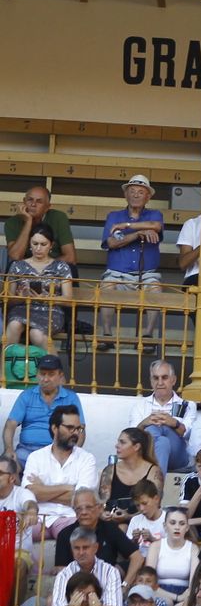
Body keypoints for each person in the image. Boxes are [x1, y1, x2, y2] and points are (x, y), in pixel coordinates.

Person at [98, 174, 164, 343]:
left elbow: (156, 226)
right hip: (117, 274)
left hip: (146, 275)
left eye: (140, 192)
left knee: (155, 288)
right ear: (125, 195)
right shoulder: (114, 216)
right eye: (132, 191)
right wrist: (137, 233)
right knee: (107, 285)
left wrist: (127, 226)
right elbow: (111, 242)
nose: (135, 195)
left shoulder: (154, 214)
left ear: (148, 197)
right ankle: (106, 335)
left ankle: (148, 336)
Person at [23, 406, 96, 540]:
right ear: (54, 428)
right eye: (70, 428)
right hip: (38, 517)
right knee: (12, 534)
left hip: (70, 517)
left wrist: (43, 490)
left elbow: (81, 500)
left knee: (76, 536)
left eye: (78, 429)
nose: (75, 433)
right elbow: (29, 494)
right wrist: (68, 487)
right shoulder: (36, 457)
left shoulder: (87, 459)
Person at [5, 224, 74, 355]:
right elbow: (7, 299)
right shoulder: (17, 266)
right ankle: (4, 366)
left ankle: (54, 366)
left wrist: (48, 299)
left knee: (36, 333)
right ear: (29, 243)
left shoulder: (61, 266)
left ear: (51, 245)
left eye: (43, 244)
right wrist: (21, 297)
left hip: (51, 311)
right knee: (14, 325)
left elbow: (68, 299)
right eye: (35, 243)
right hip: (22, 308)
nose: (38, 248)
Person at [6, 354, 85, 467]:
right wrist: (9, 450)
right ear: (37, 374)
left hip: (58, 451)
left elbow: (80, 429)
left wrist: (73, 453)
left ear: (60, 376)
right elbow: (10, 425)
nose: (45, 379)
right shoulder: (26, 396)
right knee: (7, 467)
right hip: (26, 451)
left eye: (51, 374)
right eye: (42, 374)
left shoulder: (71, 398)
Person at [132, 359, 201, 474]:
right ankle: (157, 484)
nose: (160, 382)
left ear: (173, 380)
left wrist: (173, 423)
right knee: (162, 442)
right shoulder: (140, 405)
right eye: (156, 378)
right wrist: (144, 423)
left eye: (164, 377)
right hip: (148, 454)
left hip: (177, 456)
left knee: (155, 429)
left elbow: (188, 435)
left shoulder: (187, 405)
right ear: (151, 381)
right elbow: (132, 438)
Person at [7, 184, 76, 265]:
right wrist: (28, 222)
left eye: (39, 201)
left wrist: (40, 267)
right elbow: (16, 256)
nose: (33, 204)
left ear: (47, 207)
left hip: (55, 269)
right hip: (25, 270)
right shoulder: (12, 222)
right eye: (30, 200)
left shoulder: (58, 217)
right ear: (24, 202)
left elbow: (70, 258)